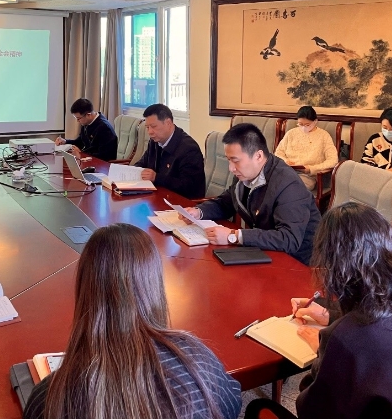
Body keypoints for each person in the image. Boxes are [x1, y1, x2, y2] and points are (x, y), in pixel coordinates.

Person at [245, 202, 392, 419]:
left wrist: (321, 357)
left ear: (333, 263)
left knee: (258, 408)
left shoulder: (346, 339)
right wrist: (328, 315)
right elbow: (378, 318)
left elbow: (310, 410)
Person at [23, 223, 242, 419]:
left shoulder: (50, 398)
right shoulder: (196, 358)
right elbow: (231, 404)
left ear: (85, 287)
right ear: (154, 283)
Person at [184, 123, 320, 265]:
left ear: (258, 156)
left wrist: (233, 236)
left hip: (300, 263)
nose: (231, 168)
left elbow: (289, 239)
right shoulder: (245, 174)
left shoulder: (288, 185)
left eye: (235, 161)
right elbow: (226, 202)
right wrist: (198, 212)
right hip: (266, 252)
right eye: (229, 160)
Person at [133, 104, 206, 199]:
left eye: (153, 126)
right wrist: (131, 171)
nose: (150, 132)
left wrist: (156, 178)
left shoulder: (188, 149)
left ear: (168, 123)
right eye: (147, 127)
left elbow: (188, 187)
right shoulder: (155, 141)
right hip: (158, 196)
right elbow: (143, 163)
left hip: (182, 202)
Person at [274, 106, 338, 191]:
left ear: (315, 121)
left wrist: (311, 169)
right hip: (286, 171)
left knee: (290, 187)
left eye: (307, 125)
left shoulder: (324, 136)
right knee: (269, 183)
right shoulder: (291, 133)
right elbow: (278, 153)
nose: (303, 127)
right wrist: (286, 161)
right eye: (300, 124)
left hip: (308, 176)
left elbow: (333, 161)